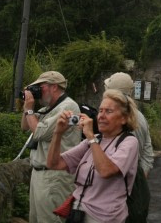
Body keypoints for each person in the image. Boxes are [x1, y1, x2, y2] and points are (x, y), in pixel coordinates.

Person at [46, 89, 140, 223]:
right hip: (78, 213)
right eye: (100, 110)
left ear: (124, 118)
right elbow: (53, 163)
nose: (101, 116)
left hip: (105, 218)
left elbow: (106, 171)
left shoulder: (129, 142)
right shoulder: (95, 140)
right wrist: (57, 133)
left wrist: (90, 136)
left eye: (109, 111)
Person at [20, 70, 82, 223]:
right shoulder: (48, 108)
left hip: (55, 177)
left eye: (41, 87)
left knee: (50, 219)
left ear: (54, 87)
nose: (38, 91)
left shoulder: (68, 108)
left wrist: (29, 109)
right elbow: (24, 126)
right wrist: (27, 106)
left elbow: (39, 133)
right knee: (36, 219)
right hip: (39, 175)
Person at [104, 72, 154, 176]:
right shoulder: (139, 115)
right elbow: (147, 150)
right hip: (133, 176)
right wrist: (142, 175)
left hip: (119, 179)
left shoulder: (119, 116)